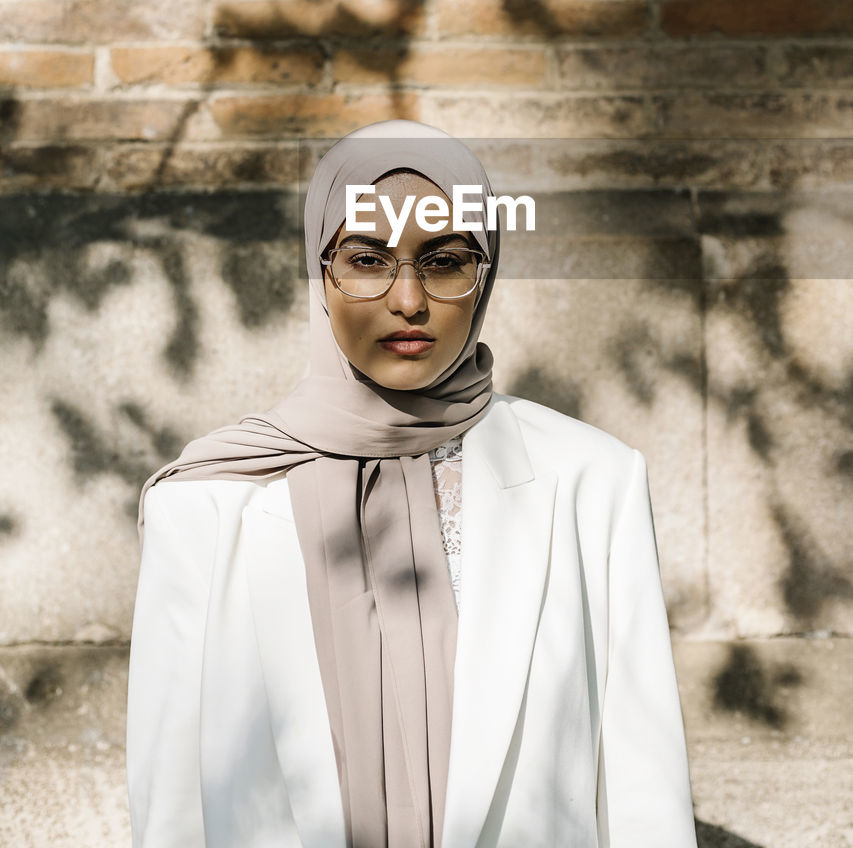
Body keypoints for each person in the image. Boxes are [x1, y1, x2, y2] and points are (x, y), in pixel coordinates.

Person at [126, 119, 698, 848]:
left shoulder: (593, 482)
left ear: (485, 273)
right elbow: (170, 804)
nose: (407, 301)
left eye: (444, 260)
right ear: (319, 271)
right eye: (367, 259)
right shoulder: (207, 504)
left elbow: (641, 790)